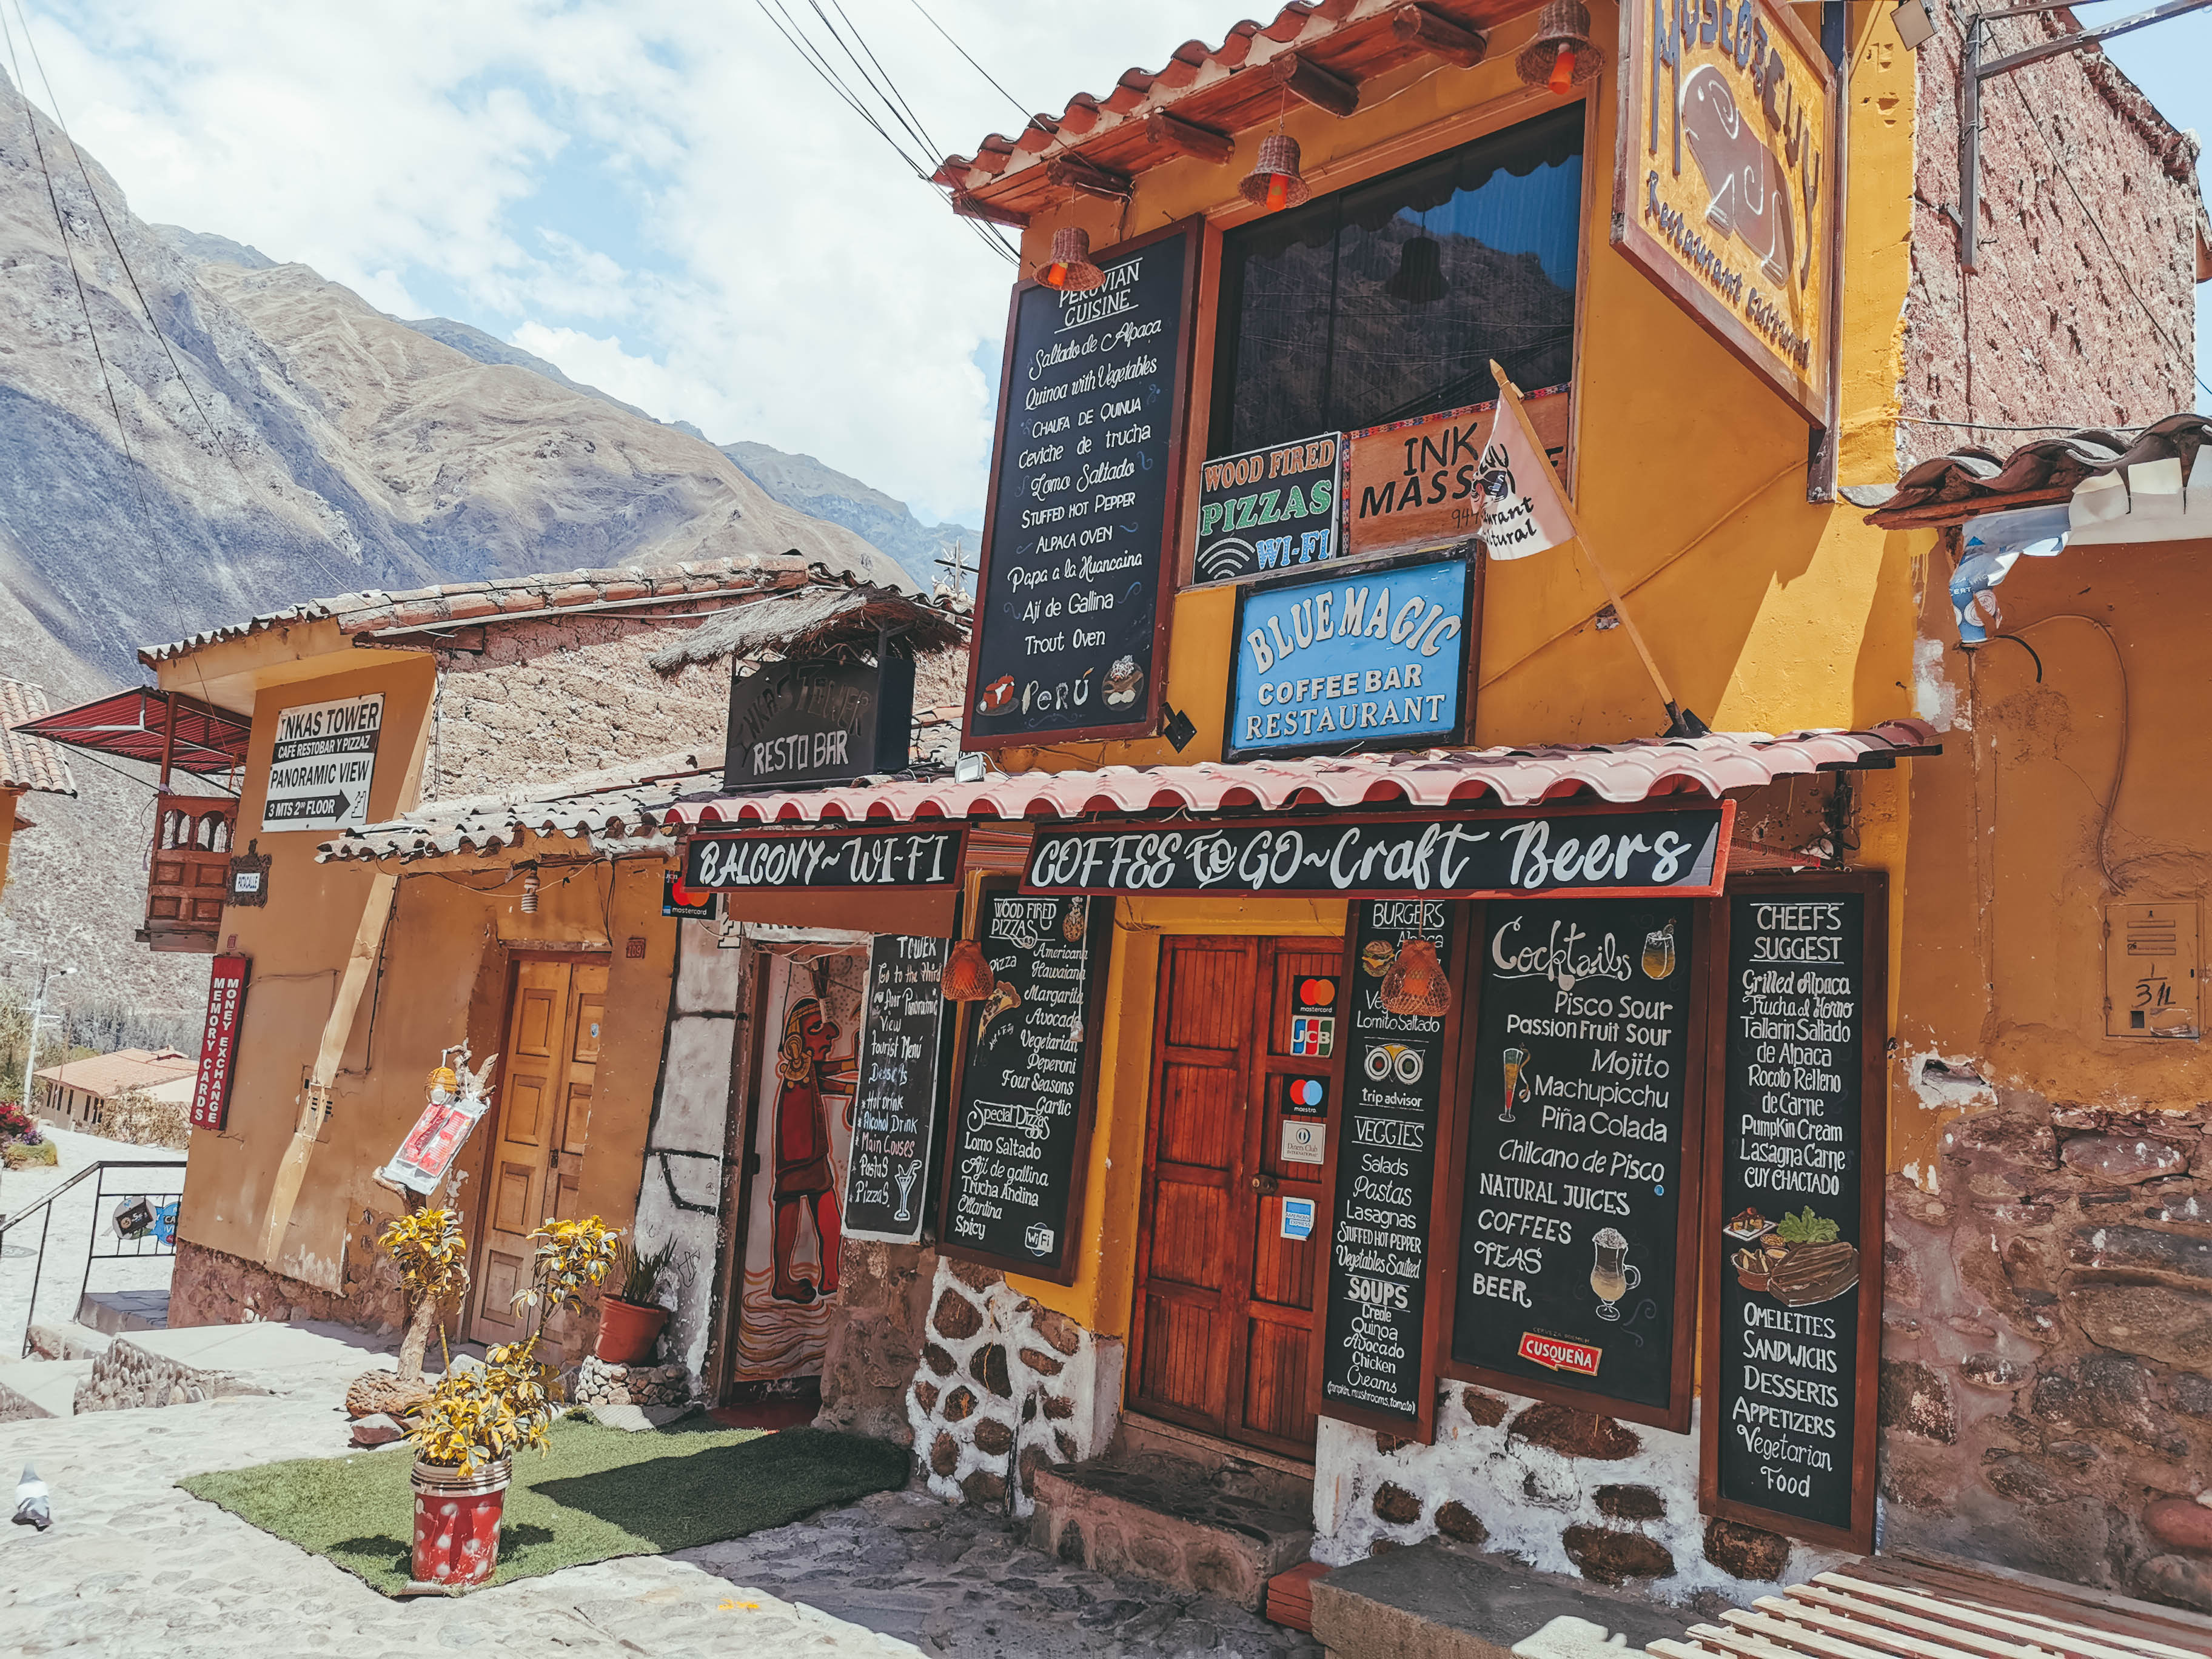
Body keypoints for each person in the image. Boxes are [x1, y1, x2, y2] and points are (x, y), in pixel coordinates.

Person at [769, 996, 853, 1303]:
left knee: (815, 1208)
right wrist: (851, 1074)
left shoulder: (806, 1070)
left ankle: (828, 1276)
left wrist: (851, 1079)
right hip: (799, 1153)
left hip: (808, 1152)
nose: (829, 1041)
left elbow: (822, 1078)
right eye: (820, 1034)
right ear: (798, 1040)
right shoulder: (798, 1069)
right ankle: (796, 1279)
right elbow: (823, 1074)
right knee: (801, 1208)